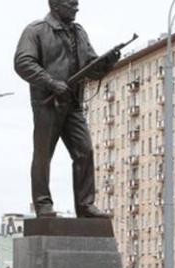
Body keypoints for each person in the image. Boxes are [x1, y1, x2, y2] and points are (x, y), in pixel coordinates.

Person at [13, 0, 120, 218]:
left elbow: (91, 67)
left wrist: (107, 62)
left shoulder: (78, 32)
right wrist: (51, 82)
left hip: (73, 103)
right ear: (56, 5)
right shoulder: (36, 31)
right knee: (44, 154)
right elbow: (23, 62)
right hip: (48, 103)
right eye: (72, 4)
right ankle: (43, 204)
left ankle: (85, 205)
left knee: (85, 151)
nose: (76, 8)